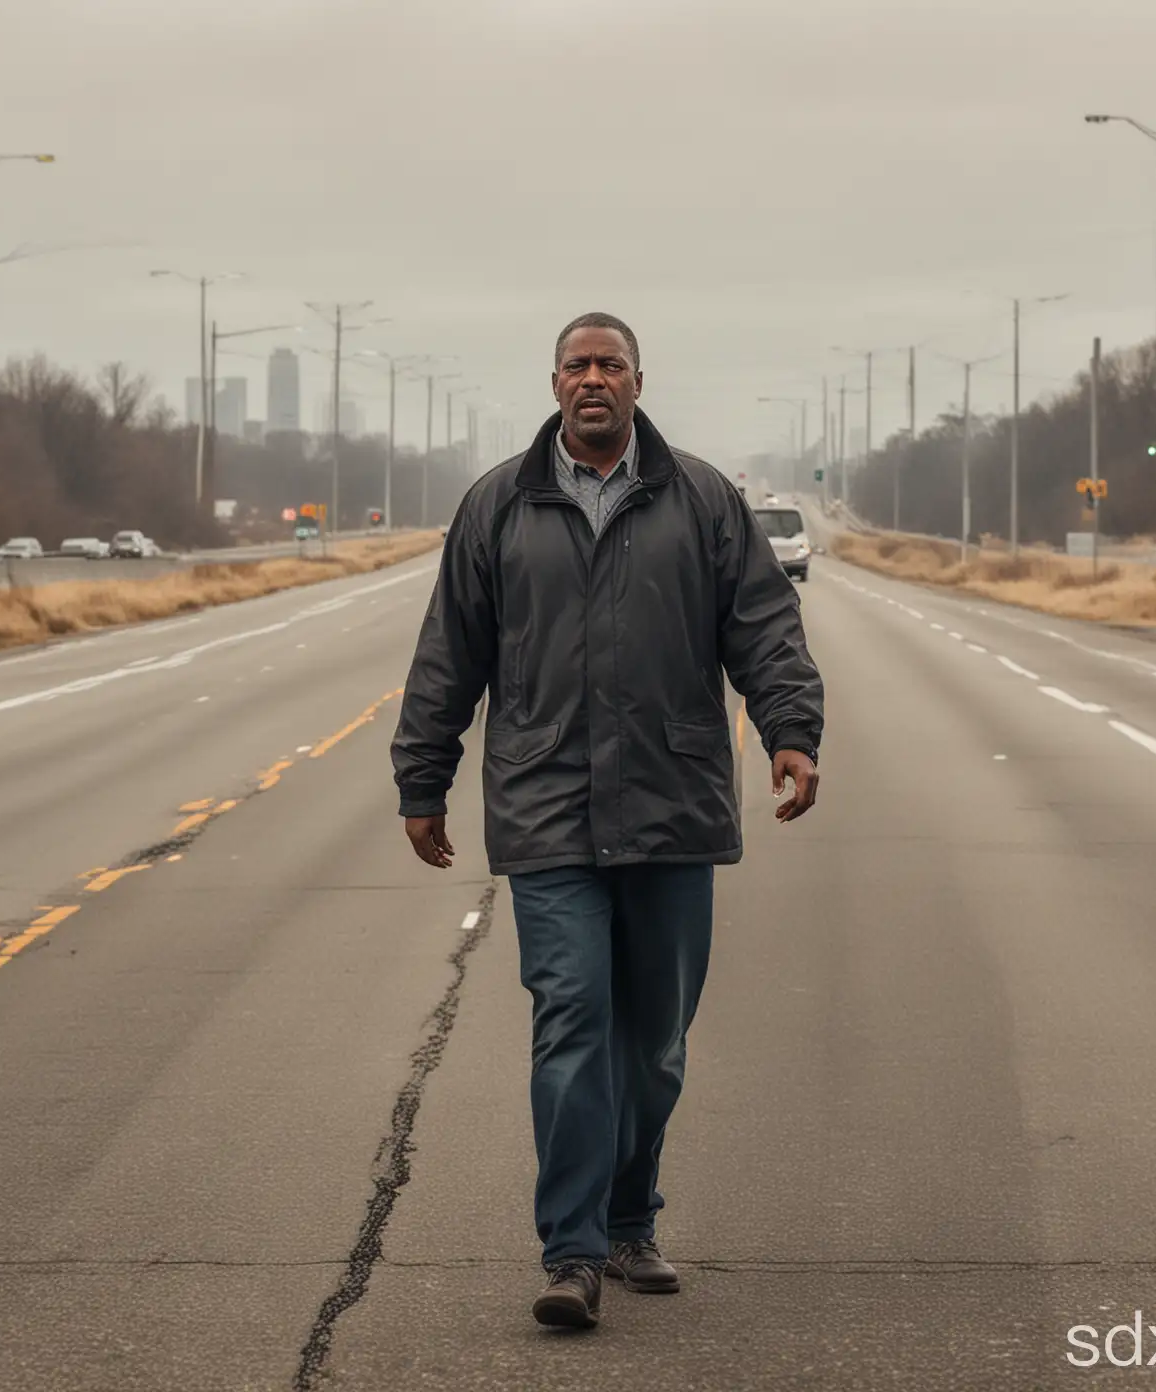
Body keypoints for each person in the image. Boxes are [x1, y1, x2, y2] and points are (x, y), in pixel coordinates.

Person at [391, 312, 824, 1331]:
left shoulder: (704, 500)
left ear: (638, 381)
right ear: (554, 384)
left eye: (611, 366)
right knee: (573, 1021)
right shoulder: (497, 505)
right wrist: (423, 775)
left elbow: (763, 626)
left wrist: (789, 732)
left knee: (655, 1047)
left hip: (674, 805)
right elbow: (449, 651)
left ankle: (632, 1215)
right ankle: (574, 1251)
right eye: (578, 365)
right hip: (546, 808)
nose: (594, 380)